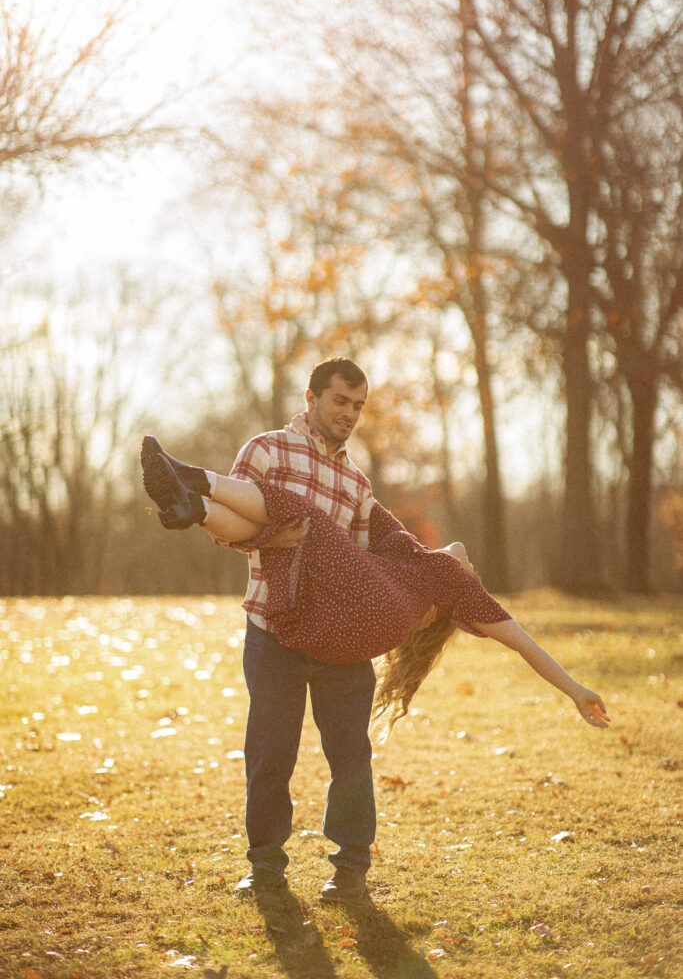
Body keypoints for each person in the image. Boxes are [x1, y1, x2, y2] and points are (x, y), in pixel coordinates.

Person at [141, 358, 610, 902]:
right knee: (269, 753)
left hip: (340, 633)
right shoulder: (266, 449)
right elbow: (242, 528)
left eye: (359, 406)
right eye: (341, 401)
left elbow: (507, 629)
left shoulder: (358, 487)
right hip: (273, 624)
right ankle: (265, 867)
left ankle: (349, 872)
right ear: (312, 397)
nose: (350, 414)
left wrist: (576, 689)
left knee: (351, 757)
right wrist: (273, 542)